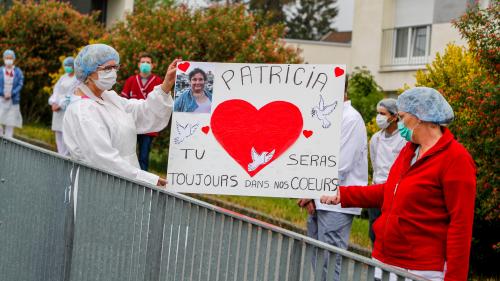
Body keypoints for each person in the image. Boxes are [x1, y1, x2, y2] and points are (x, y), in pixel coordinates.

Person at [320, 87, 476, 281]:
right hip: (386, 262)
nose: (400, 122)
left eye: (402, 116)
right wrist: (343, 195)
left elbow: (460, 225)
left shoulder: (455, 159)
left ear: (421, 117)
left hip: (420, 271)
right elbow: (390, 190)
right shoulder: (409, 151)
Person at [63, 44, 181, 186]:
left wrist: (165, 86)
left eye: (115, 67)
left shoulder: (108, 97)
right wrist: (146, 179)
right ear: (89, 72)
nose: (113, 72)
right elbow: (102, 160)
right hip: (97, 189)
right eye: (107, 68)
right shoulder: (83, 111)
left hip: (122, 184)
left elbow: (142, 113)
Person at [298, 76, 368, 281]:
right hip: (317, 200)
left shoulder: (351, 119)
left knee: (329, 263)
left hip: (337, 203)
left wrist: (310, 191)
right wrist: (308, 194)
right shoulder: (325, 117)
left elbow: (340, 165)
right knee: (317, 259)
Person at [368, 98, 406, 244]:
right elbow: (375, 164)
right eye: (378, 113)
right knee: (374, 234)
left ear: (395, 116)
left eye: (383, 114)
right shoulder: (376, 139)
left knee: (390, 234)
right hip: (377, 190)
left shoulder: (404, 139)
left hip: (394, 193)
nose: (379, 117)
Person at [121, 52, 163, 171]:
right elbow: (123, 101)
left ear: (152, 65)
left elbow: (161, 103)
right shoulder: (131, 80)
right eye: (143, 62)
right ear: (139, 64)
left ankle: (143, 180)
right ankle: (129, 176)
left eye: (148, 62)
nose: (145, 64)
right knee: (129, 153)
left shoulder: (158, 81)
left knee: (144, 155)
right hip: (131, 123)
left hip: (149, 125)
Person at [48, 56, 78, 155]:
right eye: (65, 65)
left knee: (66, 132)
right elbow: (56, 90)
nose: (67, 67)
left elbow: (71, 94)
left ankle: (65, 156)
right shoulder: (63, 77)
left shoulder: (76, 79)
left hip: (66, 108)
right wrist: (53, 102)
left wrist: (61, 105)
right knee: (58, 132)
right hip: (57, 109)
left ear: (74, 66)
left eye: (69, 65)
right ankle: (60, 153)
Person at [0, 49, 24, 138]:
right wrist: (3, 93)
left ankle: (8, 141)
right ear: (3, 59)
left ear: (13, 59)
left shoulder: (18, 71)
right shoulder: (0, 71)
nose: (8, 60)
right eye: (7, 58)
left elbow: (20, 84)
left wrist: (12, 93)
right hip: (1, 99)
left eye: (10, 58)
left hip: (13, 100)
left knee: (10, 122)